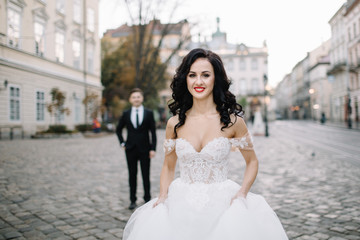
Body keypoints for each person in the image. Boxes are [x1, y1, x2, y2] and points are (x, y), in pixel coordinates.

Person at [122, 49, 288, 239]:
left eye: (205, 75)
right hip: (181, 203)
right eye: (192, 75)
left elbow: (252, 162)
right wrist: (162, 196)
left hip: (222, 203)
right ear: (185, 79)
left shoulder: (233, 122)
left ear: (215, 79)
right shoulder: (174, 123)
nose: (198, 82)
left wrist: (242, 193)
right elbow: (168, 166)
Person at [116, 88, 157, 210]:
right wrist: (122, 144)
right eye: (134, 97)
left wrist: (153, 148)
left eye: (138, 97)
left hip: (145, 149)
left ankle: (147, 198)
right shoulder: (126, 113)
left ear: (142, 98)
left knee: (146, 175)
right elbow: (118, 130)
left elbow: (153, 132)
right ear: (130, 99)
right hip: (130, 149)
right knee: (132, 175)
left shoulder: (149, 113)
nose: (136, 99)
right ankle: (132, 200)